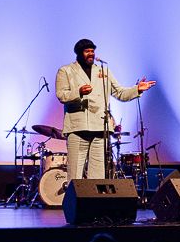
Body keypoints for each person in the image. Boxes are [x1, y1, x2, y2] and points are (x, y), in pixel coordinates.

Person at [56, 39, 155, 184]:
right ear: (78, 53)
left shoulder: (104, 71)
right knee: (75, 174)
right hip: (78, 128)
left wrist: (137, 89)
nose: (91, 54)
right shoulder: (66, 71)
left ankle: (95, 206)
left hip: (100, 128)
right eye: (87, 51)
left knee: (98, 175)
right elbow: (61, 95)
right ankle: (75, 205)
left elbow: (120, 93)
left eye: (92, 51)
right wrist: (79, 92)